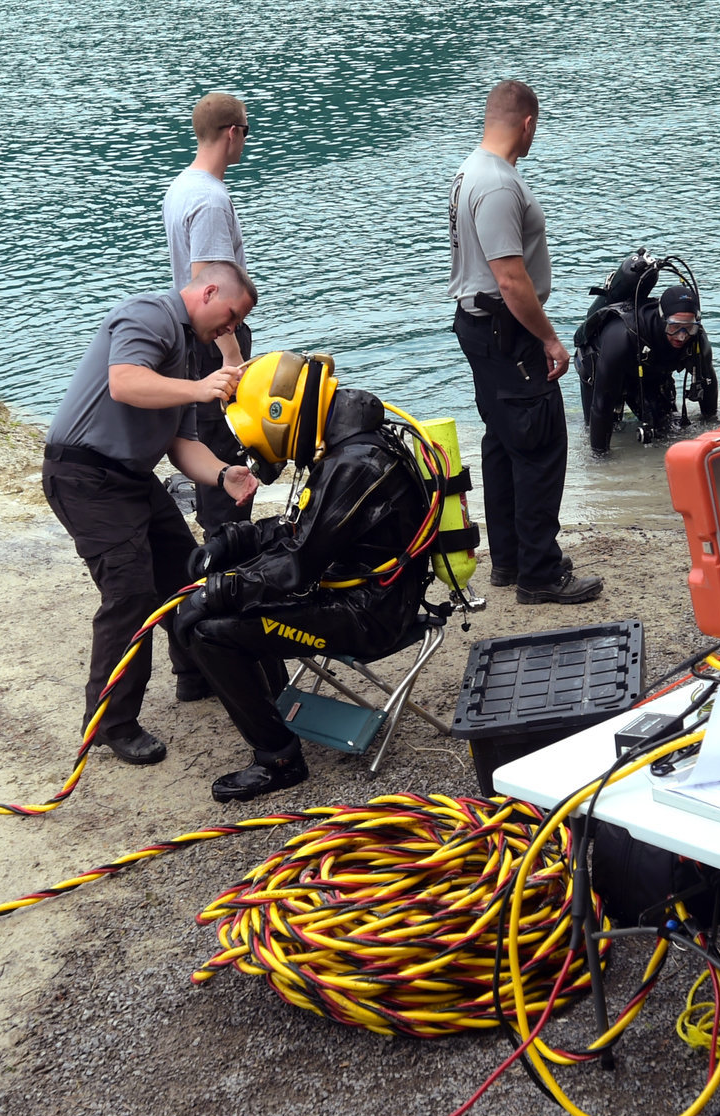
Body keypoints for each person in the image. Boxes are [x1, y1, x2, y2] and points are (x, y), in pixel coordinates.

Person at [173, 352, 433, 801]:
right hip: (367, 593)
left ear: (281, 418)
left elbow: (296, 565)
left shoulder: (353, 465)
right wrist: (237, 541)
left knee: (209, 633)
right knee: (227, 600)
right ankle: (272, 704)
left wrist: (223, 590)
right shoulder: (349, 445)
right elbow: (308, 530)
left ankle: (280, 759)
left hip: (371, 616)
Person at [41, 265, 260, 766]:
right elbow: (125, 383)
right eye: (230, 316)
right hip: (84, 477)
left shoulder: (186, 353)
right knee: (130, 594)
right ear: (208, 292)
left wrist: (225, 474)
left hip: (132, 478)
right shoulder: (149, 314)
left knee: (189, 574)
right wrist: (203, 388)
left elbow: (182, 444)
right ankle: (111, 722)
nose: (229, 329)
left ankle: (196, 673)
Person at [448, 79, 603, 604]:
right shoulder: (495, 183)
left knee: (503, 440)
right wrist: (552, 341)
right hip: (504, 328)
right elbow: (511, 280)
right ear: (527, 123)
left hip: (482, 325)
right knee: (538, 440)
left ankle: (510, 559)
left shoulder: (471, 170)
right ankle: (539, 573)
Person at [162, 91, 259, 648]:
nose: (246, 138)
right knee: (226, 458)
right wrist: (231, 358)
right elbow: (210, 286)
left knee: (209, 452)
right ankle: (227, 590)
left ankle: (217, 570)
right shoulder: (212, 200)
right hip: (213, 339)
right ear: (232, 133)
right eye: (246, 130)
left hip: (192, 334)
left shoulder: (180, 188)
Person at [575, 280, 718, 453]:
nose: (681, 336)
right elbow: (601, 405)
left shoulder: (696, 340)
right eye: (674, 327)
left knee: (666, 430)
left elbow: (708, 385)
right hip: (600, 368)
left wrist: (712, 427)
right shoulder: (623, 336)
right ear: (661, 317)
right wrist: (600, 460)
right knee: (602, 429)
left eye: (689, 328)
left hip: (649, 370)